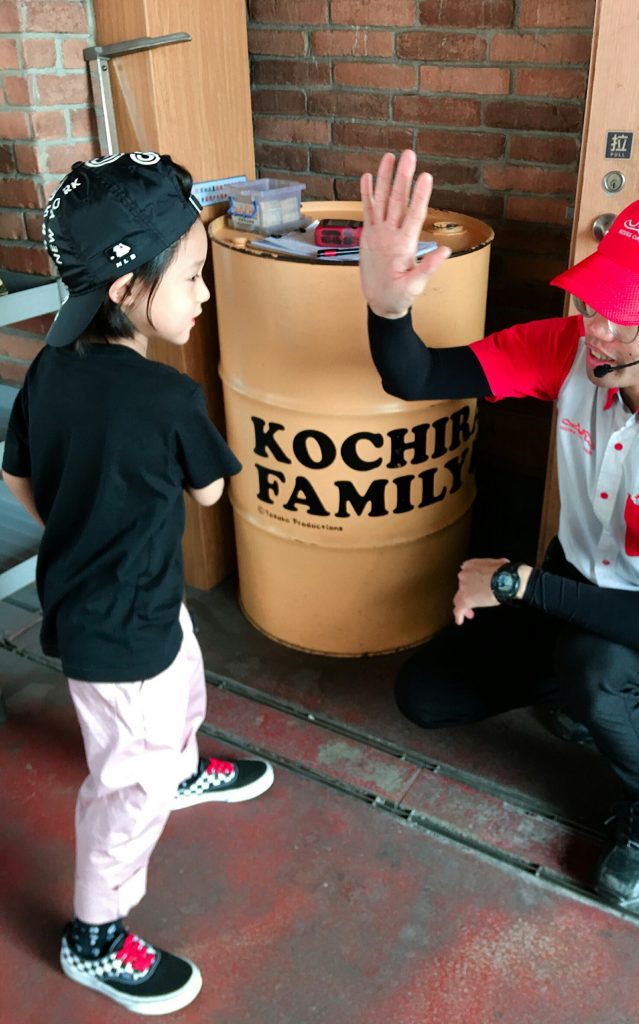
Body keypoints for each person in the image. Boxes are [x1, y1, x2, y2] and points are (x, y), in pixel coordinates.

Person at [358, 149, 639, 910]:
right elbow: (415, 377)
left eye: (631, 312)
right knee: (428, 696)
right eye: (596, 301)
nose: (600, 328)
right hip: (576, 584)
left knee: (598, 668)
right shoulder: (573, 348)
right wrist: (387, 306)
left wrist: (516, 585)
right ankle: (588, 698)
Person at [1, 152, 275, 1015]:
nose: (202, 295)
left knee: (184, 679)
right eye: (192, 277)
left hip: (116, 605)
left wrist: (79, 524)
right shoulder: (167, 398)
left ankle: (183, 766)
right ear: (125, 289)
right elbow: (210, 491)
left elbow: (18, 476)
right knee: (128, 786)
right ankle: (94, 934)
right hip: (120, 638)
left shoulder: (47, 371)